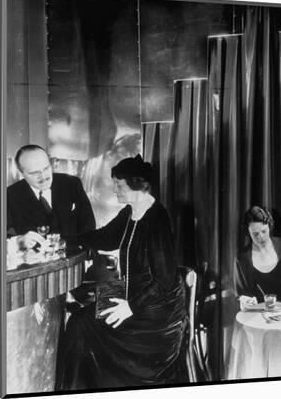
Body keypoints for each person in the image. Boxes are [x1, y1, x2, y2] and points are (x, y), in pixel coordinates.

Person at [55, 155, 186, 389]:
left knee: (80, 323)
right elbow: (105, 237)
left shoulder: (157, 218)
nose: (114, 188)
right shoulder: (130, 212)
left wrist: (130, 306)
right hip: (131, 291)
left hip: (155, 310)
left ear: (136, 185)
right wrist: (64, 240)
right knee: (79, 316)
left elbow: (164, 280)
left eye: (119, 184)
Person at [7, 144, 95, 237]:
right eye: (34, 173)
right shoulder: (9, 195)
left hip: (77, 250)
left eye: (46, 168)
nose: (43, 176)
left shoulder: (72, 183)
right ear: (21, 173)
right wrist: (19, 242)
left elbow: (89, 225)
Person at [235, 206, 281, 308]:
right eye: (255, 234)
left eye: (264, 231)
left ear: (269, 227)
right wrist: (245, 300)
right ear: (248, 233)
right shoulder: (242, 259)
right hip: (258, 317)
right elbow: (241, 294)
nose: (261, 237)